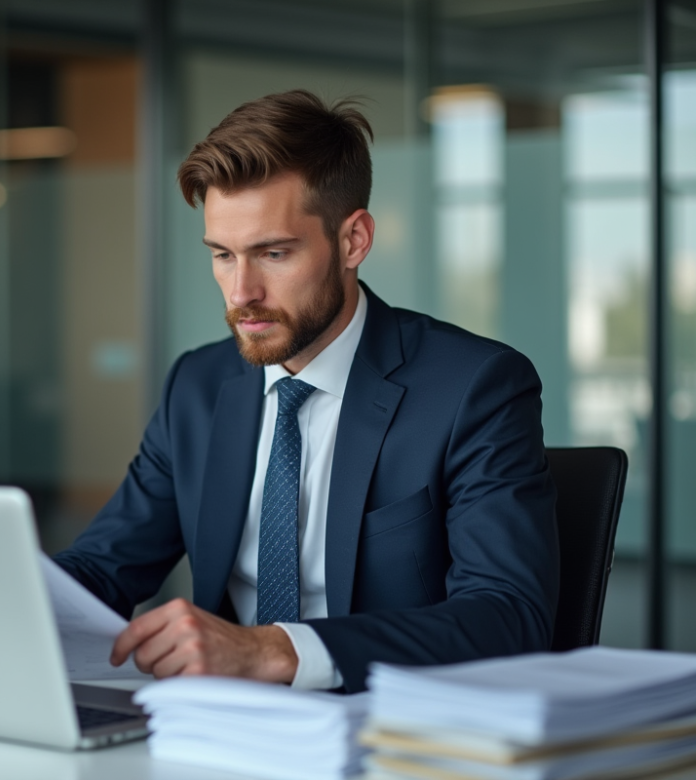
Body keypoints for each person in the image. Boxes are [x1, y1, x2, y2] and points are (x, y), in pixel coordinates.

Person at [53, 89, 559, 694]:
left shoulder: (474, 388)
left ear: (353, 242)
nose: (241, 292)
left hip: (383, 731)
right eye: (222, 255)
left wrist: (273, 651)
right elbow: (101, 568)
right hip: (221, 730)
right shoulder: (198, 385)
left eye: (273, 253)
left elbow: (508, 616)